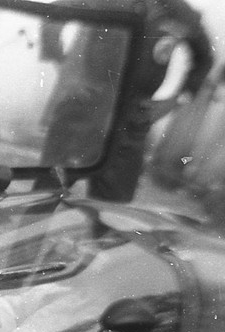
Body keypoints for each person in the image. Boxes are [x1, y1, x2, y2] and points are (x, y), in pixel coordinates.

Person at [36, 0, 212, 202]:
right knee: (43, 198)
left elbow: (204, 58)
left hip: (132, 119)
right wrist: (65, 69)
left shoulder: (181, 13)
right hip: (86, 107)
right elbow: (52, 16)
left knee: (113, 211)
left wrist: (174, 101)